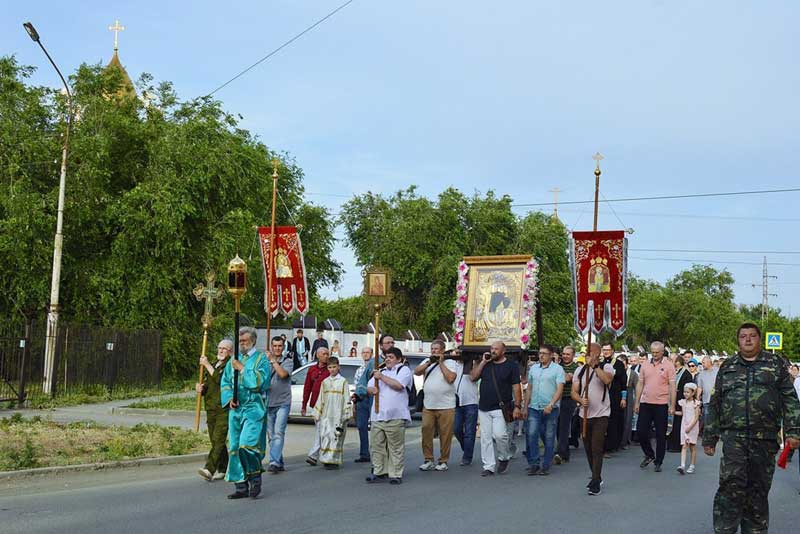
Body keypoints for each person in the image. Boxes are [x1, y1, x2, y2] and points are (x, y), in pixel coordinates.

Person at [703, 323, 800, 533]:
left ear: (760, 339)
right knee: (730, 487)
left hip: (764, 440)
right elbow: (715, 403)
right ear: (738, 340)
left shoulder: (775, 365)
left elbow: (789, 399)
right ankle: (724, 529)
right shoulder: (728, 367)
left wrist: (793, 431)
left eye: (752, 336)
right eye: (743, 336)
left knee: (758, 490)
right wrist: (710, 437)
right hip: (733, 439)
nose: (747, 340)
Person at [221, 326, 271, 499]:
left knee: (246, 445)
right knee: (234, 447)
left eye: (245, 341)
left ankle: (255, 476)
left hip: (253, 408)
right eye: (240, 341)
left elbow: (260, 382)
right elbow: (226, 382)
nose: (242, 344)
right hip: (236, 410)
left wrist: (242, 368)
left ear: (253, 341)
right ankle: (240, 486)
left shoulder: (261, 359)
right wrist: (229, 398)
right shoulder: (233, 360)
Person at [470, 341, 523, 477]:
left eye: (496, 349)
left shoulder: (511, 366)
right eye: (492, 348)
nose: (493, 351)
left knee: (500, 435)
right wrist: (482, 362)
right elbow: (473, 377)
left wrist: (517, 406)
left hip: (501, 407)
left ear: (503, 351)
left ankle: (503, 457)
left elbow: (516, 387)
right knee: (486, 438)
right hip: (484, 407)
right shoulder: (486, 364)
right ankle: (489, 466)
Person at [366, 347, 413, 485]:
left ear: (399, 359)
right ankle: (379, 471)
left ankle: (395, 474)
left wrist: (382, 378)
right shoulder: (379, 372)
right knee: (376, 446)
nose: (387, 359)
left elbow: (399, 385)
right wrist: (371, 389)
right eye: (386, 357)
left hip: (395, 415)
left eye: (391, 357)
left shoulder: (403, 370)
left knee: (395, 447)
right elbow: (369, 387)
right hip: (377, 415)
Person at [572, 342, 614, 496]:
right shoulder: (580, 370)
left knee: (597, 447)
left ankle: (595, 482)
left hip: (601, 414)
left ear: (598, 354)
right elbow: (574, 391)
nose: (590, 355)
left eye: (593, 353)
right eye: (588, 353)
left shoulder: (606, 367)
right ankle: (597, 475)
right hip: (585, 415)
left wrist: (595, 367)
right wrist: (580, 400)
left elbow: (607, 380)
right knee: (588, 448)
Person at [415, 340, 457, 471]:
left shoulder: (451, 362)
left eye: (437, 349)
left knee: (445, 434)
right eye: (432, 349)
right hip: (428, 404)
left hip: (446, 405)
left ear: (443, 350)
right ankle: (428, 459)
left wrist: (440, 363)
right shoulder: (427, 361)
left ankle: (443, 460)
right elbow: (416, 372)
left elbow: (450, 378)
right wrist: (429, 362)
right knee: (426, 430)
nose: (434, 351)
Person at [634, 341, 676, 473]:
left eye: (657, 352)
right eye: (652, 352)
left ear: (663, 352)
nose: (655, 354)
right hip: (646, 402)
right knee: (641, 431)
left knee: (660, 435)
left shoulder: (669, 366)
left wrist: (672, 405)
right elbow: (640, 384)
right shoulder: (645, 365)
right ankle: (649, 454)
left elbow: (672, 386)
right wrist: (637, 402)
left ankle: (659, 461)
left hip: (661, 404)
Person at [524, 343, 565, 476]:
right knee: (531, 434)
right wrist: (525, 406)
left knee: (548, 436)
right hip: (534, 407)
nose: (541, 355)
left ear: (551, 355)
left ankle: (546, 464)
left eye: (544, 353)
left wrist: (551, 404)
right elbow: (529, 388)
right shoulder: (534, 369)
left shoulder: (557, 369)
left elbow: (559, 389)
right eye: (540, 353)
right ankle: (534, 463)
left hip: (550, 408)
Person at [196, 338, 232, 481]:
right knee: (215, 440)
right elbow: (209, 383)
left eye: (225, 349)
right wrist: (201, 388)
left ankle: (209, 469)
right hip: (211, 407)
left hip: (223, 408)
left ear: (230, 351)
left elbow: (221, 380)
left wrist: (206, 366)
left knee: (219, 438)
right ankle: (223, 468)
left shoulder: (230, 365)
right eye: (219, 348)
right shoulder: (213, 364)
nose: (221, 351)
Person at [315, 356, 352, 469]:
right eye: (330, 367)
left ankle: (334, 461)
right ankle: (326, 459)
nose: (332, 369)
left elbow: (346, 397)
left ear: (338, 367)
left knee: (336, 436)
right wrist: (317, 413)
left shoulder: (343, 382)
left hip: (338, 414)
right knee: (326, 435)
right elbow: (321, 398)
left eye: (334, 367)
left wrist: (347, 413)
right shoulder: (325, 382)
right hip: (327, 413)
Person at [266, 335, 293, 474]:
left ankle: (274, 462)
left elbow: (283, 374)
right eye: (275, 346)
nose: (277, 348)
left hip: (283, 402)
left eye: (279, 346)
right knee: (271, 435)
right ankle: (279, 461)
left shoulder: (287, 361)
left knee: (278, 432)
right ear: (271, 346)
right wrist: (267, 361)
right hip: (267, 402)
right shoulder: (265, 361)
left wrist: (273, 361)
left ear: (283, 347)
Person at [303, 347, 331, 466]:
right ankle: (321, 455)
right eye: (324, 354)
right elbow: (307, 387)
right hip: (316, 404)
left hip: (328, 404)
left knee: (325, 431)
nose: (326, 356)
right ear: (318, 355)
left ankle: (314, 455)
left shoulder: (331, 369)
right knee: (320, 430)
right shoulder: (312, 369)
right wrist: (304, 404)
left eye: (327, 354)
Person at [453, 350, 479, 466]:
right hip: (457, 402)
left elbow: (474, 377)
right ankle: (466, 448)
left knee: (469, 431)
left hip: (471, 401)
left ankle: (467, 456)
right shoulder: (452, 364)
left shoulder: (473, 364)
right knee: (456, 429)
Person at [555, 345, 580, 464]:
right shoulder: (558, 366)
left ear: (573, 355)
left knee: (564, 426)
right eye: (563, 354)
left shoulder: (576, 368)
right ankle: (563, 452)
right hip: (556, 399)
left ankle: (561, 453)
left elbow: (566, 378)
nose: (565, 356)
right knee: (556, 426)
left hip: (568, 399)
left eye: (568, 354)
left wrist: (554, 366)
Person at [602, 343, 627, 454]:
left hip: (615, 396)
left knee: (613, 420)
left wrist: (624, 398)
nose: (606, 352)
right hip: (602, 396)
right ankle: (603, 444)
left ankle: (612, 445)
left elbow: (623, 382)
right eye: (604, 350)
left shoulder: (619, 364)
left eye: (608, 350)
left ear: (613, 351)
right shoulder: (600, 363)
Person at [352, 346, 375, 462]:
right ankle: (364, 453)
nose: (365, 354)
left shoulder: (375, 367)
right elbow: (357, 386)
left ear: (372, 354)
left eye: (368, 352)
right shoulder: (359, 370)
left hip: (373, 398)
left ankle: (376, 453)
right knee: (361, 426)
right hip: (362, 399)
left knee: (376, 427)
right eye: (363, 352)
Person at [667, 355, 694, 453]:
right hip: (671, 399)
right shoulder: (673, 371)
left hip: (680, 400)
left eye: (672, 359)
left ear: (678, 361)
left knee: (678, 422)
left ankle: (677, 445)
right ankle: (670, 443)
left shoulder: (686, 373)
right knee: (671, 422)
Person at [676, 382, 700, 475]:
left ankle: (692, 465)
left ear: (693, 393)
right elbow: (683, 413)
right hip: (684, 425)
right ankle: (682, 465)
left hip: (692, 427)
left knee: (692, 446)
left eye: (688, 392)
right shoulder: (683, 402)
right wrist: (674, 412)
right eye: (684, 392)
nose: (685, 394)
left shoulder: (696, 403)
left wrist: (690, 427)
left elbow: (696, 417)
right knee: (684, 445)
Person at [618, 354, 639, 449]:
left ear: (626, 363)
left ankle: (625, 441)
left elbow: (637, 388)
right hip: (617, 394)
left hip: (629, 394)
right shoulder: (616, 372)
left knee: (628, 418)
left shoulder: (633, 373)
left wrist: (637, 402)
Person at [694, 355, 718, 428]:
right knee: (707, 419)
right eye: (702, 363)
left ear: (709, 362)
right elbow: (699, 387)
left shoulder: (717, 371)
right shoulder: (700, 374)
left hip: (716, 400)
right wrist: (698, 397)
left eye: (704, 363)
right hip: (706, 400)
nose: (702, 364)